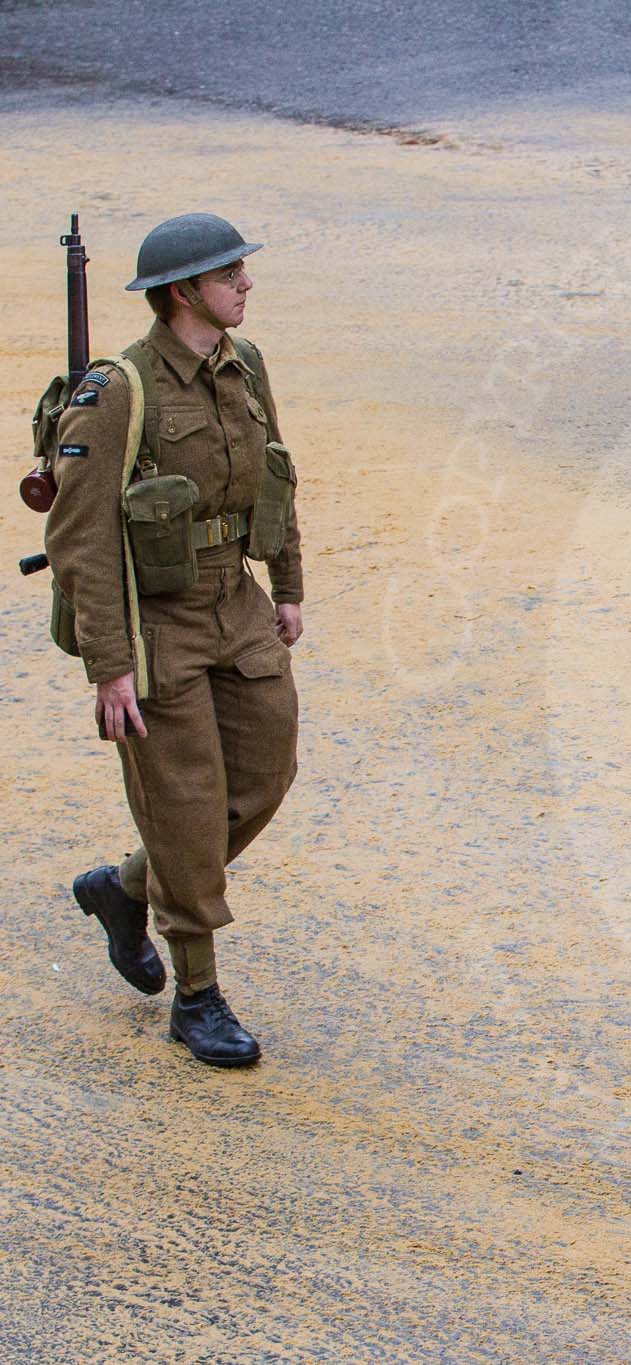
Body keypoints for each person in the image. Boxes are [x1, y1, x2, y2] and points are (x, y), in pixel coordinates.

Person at [46, 212, 305, 1065]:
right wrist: (109, 667)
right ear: (184, 291)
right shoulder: (119, 389)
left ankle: (124, 887)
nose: (246, 283)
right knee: (188, 810)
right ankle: (197, 996)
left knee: (266, 772)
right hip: (160, 621)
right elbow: (78, 538)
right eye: (229, 273)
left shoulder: (245, 364)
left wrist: (289, 588)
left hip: (238, 598)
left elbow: (276, 469)